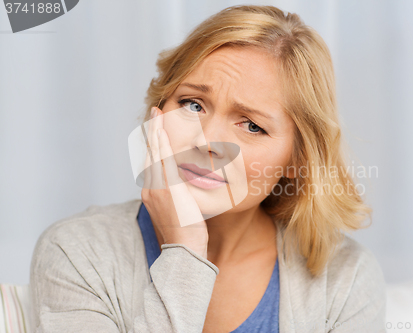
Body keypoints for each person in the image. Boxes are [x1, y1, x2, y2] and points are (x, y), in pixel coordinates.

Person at [30, 5, 386, 333]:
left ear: (298, 161)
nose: (206, 141)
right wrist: (185, 250)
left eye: (251, 125)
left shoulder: (344, 277)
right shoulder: (78, 253)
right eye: (192, 104)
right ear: (159, 112)